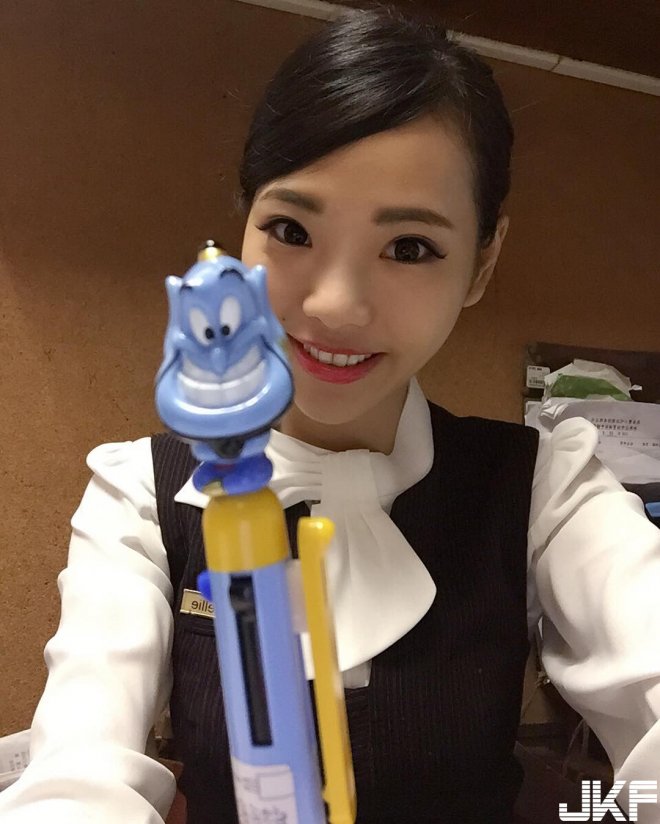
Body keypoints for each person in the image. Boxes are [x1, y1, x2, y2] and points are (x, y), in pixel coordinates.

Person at [2, 6, 659, 824]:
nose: (334, 306)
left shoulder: (545, 489)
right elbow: (80, 767)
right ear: (243, 230)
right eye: (290, 229)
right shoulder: (139, 494)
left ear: (482, 263)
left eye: (409, 247)